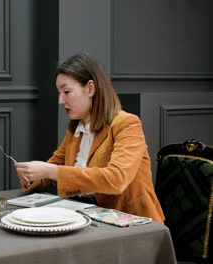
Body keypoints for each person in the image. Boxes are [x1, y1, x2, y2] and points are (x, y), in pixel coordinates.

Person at [14, 53, 165, 222]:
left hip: (131, 222)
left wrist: (50, 171)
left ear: (91, 89)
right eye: (59, 92)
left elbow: (116, 179)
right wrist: (31, 177)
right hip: (87, 215)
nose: (61, 100)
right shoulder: (76, 130)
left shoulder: (127, 124)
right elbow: (55, 167)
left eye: (67, 91)